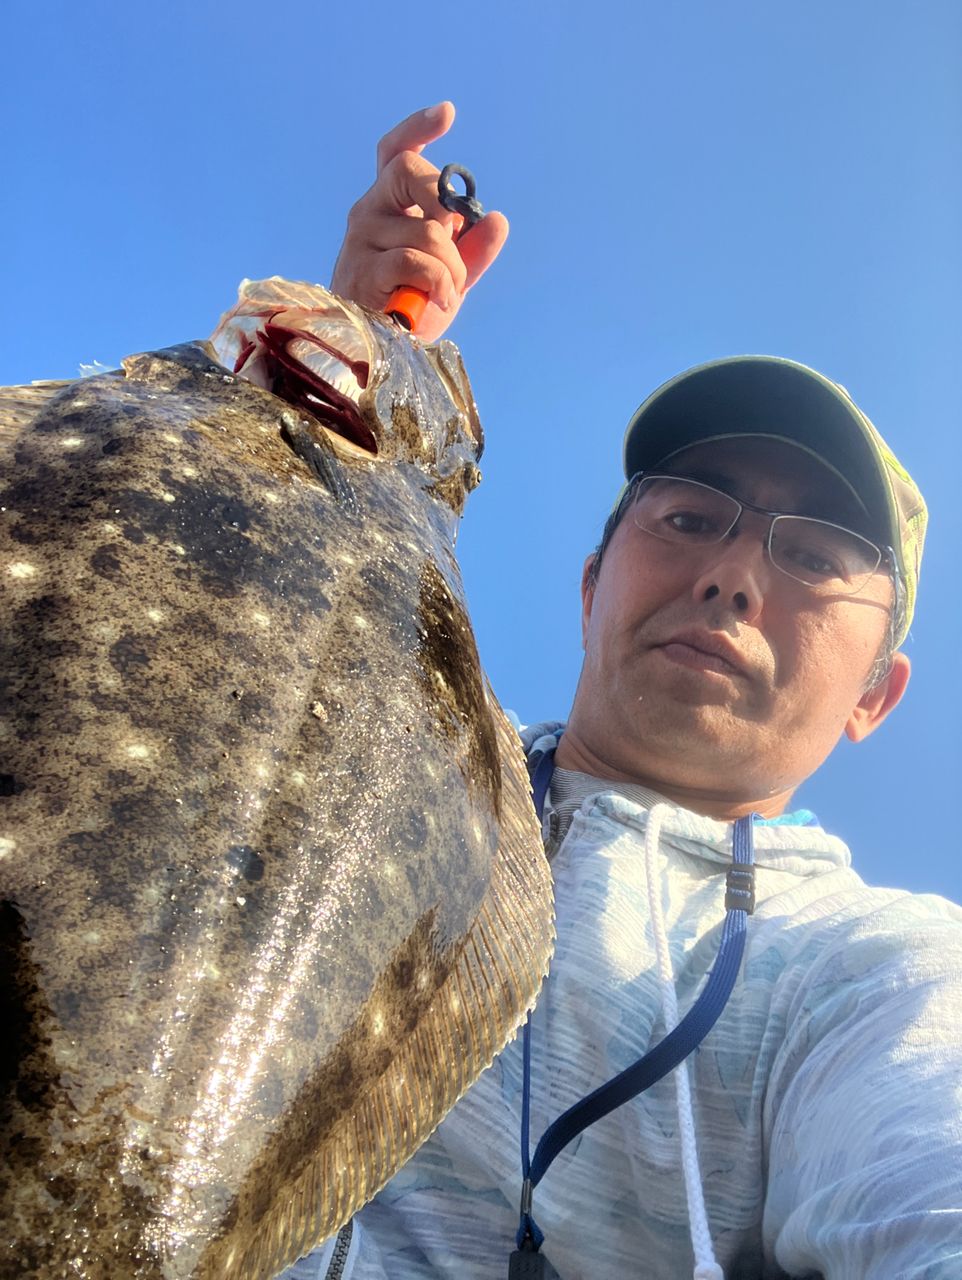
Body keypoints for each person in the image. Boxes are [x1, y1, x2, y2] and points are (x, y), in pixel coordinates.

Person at [281, 105, 962, 1279]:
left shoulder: (873, 965)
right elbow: (227, 640)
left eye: (810, 558)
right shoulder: (372, 751)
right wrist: (343, 383)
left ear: (874, 695)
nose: (730, 574)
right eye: (689, 518)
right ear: (593, 583)